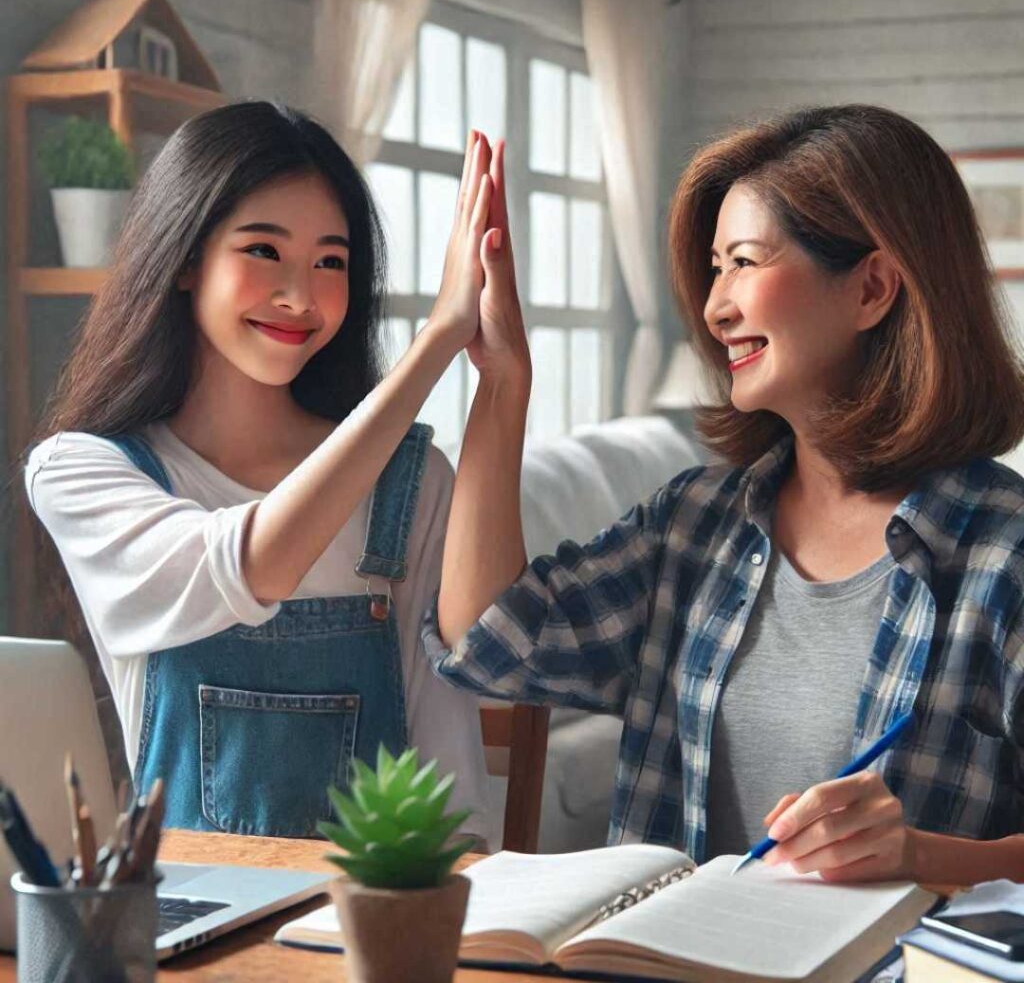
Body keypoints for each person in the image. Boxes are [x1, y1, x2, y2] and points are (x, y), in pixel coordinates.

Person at [427, 105, 1024, 886]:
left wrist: (918, 854)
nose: (715, 308)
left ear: (872, 287)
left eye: (743, 261)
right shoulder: (694, 525)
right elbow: (491, 637)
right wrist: (502, 380)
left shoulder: (1002, 553)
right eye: (715, 270)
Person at [26, 101, 502, 842]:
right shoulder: (85, 472)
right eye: (263, 251)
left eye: (331, 261)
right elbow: (251, 564)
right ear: (186, 259)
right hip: (186, 936)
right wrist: (439, 338)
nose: (301, 296)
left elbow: (448, 770)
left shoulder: (413, 483)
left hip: (367, 933)